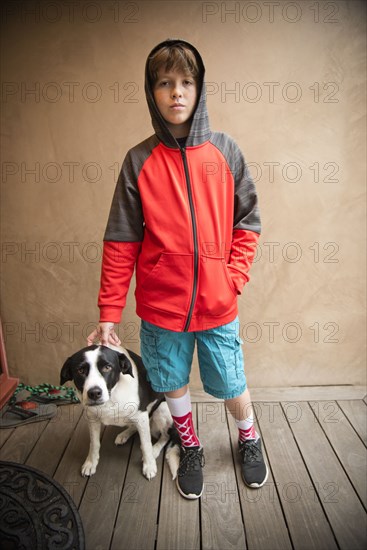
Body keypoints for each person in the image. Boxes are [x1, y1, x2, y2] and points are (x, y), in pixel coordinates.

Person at [87, 38, 268, 500]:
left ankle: (249, 437)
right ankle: (189, 447)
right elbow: (121, 241)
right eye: (165, 84)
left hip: (217, 303)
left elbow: (247, 222)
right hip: (161, 306)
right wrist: (109, 311)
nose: (177, 93)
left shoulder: (225, 152)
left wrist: (233, 279)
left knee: (230, 382)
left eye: (186, 82)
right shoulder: (138, 160)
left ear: (199, 88)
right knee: (170, 382)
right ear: (152, 93)